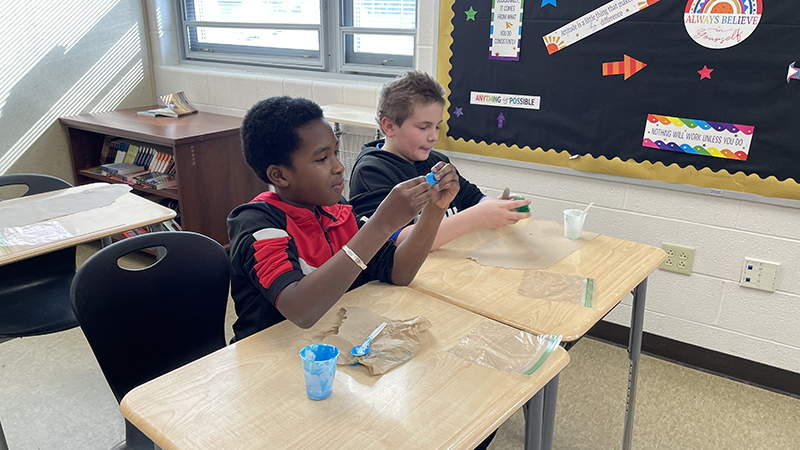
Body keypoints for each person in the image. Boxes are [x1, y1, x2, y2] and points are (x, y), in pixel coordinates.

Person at [227, 96, 460, 342]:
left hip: (329, 344)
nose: (339, 167)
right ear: (279, 175)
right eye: (321, 159)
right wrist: (381, 224)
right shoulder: (258, 225)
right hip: (269, 359)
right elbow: (300, 310)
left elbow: (399, 272)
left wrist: (435, 209)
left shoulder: (337, 210)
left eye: (335, 153)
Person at [349, 70, 531, 250]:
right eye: (423, 127)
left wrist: (499, 207)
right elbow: (390, 240)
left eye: (437, 126)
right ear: (389, 126)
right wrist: (477, 217)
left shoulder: (436, 161)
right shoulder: (371, 172)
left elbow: (474, 199)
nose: (433, 137)